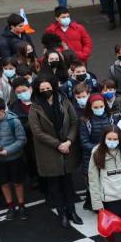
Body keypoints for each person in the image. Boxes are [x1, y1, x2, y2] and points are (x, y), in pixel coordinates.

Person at [29, 77, 81, 228]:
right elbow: (37, 132)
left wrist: (69, 141)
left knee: (68, 183)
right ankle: (62, 214)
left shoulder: (64, 100)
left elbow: (74, 121)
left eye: (48, 88)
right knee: (54, 186)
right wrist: (58, 144)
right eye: (42, 89)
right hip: (49, 151)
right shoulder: (35, 107)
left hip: (67, 148)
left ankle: (72, 211)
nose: (46, 91)